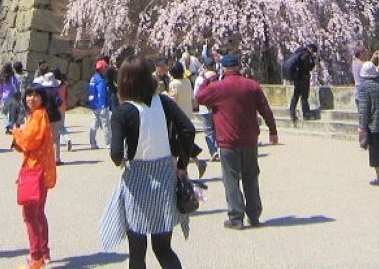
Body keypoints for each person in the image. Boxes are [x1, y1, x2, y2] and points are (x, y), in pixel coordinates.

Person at [98, 55, 195, 269]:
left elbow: (116, 153)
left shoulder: (123, 112)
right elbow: (188, 129)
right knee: (163, 248)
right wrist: (182, 165)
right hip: (165, 176)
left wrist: (121, 160)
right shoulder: (164, 102)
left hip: (137, 180)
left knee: (137, 252)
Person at [194, 53, 278, 230]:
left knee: (231, 179)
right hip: (249, 139)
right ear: (238, 67)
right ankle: (254, 215)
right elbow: (265, 108)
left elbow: (199, 98)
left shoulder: (218, 87)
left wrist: (206, 79)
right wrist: (272, 130)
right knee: (251, 177)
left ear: (223, 69)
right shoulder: (251, 85)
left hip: (228, 140)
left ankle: (236, 217)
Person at [12, 85, 58, 269]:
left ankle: (36, 257)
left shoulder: (38, 115)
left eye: (36, 95)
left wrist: (16, 133)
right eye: (29, 95)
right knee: (38, 213)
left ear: (42, 98)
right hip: (42, 170)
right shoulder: (37, 115)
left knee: (30, 214)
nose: (31, 98)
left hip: (35, 170)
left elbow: (30, 141)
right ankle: (44, 252)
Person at [285, 42, 318, 123]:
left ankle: (292, 113)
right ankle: (306, 114)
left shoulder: (299, 53)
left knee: (295, 96)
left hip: (297, 77)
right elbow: (308, 68)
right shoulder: (306, 55)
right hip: (303, 78)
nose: (312, 53)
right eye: (313, 51)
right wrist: (314, 62)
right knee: (304, 96)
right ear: (311, 49)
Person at [88, 58, 111, 149]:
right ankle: (108, 143)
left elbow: (90, 91)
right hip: (101, 105)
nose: (106, 70)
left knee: (94, 124)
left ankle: (92, 143)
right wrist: (103, 105)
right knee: (106, 125)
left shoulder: (93, 78)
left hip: (94, 105)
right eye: (105, 68)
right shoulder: (101, 79)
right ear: (101, 68)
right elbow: (102, 93)